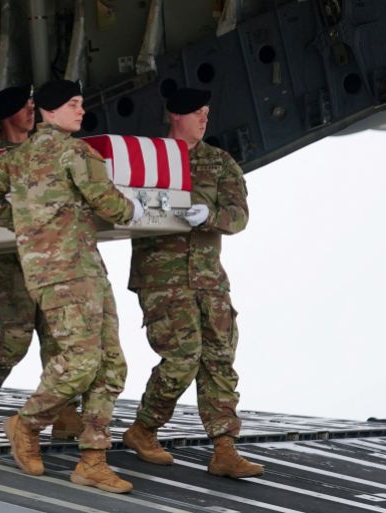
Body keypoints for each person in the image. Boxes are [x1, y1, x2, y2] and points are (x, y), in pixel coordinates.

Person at [0, 80, 144, 494]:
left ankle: (92, 460)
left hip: (73, 271)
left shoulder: (15, 157)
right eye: (73, 104)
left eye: (81, 103)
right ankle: (26, 423)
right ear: (50, 111)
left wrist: (26, 225)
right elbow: (109, 203)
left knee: (109, 363)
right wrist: (133, 209)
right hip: (72, 273)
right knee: (86, 361)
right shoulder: (75, 152)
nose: (81, 111)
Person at [125, 87, 263, 479]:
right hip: (162, 279)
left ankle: (224, 449)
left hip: (209, 280)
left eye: (206, 111)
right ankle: (144, 428)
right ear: (175, 115)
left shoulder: (219, 162)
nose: (204, 118)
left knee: (219, 359)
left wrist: (211, 215)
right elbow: (121, 205)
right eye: (196, 112)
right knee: (183, 357)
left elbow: (238, 216)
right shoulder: (148, 157)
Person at [0, 85, 82, 438]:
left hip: (45, 257)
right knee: (15, 336)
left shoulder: (43, 148)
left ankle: (64, 408)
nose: (32, 113)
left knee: (57, 335)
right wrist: (19, 222)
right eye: (26, 107)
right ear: (8, 114)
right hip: (5, 260)